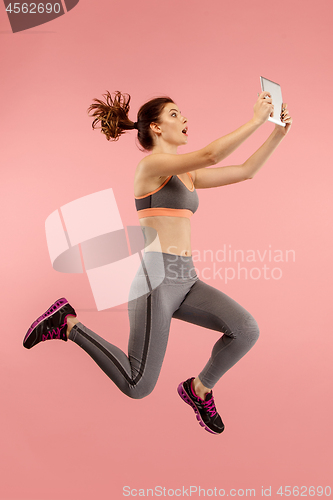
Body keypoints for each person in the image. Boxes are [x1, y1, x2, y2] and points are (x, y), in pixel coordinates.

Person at [23, 90, 292, 434]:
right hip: (157, 279)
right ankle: (68, 325)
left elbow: (244, 171)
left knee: (245, 330)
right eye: (176, 114)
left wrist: (277, 133)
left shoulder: (187, 174)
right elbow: (211, 154)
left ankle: (199, 389)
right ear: (156, 127)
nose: (184, 120)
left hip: (186, 277)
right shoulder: (150, 166)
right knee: (139, 385)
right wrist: (255, 119)